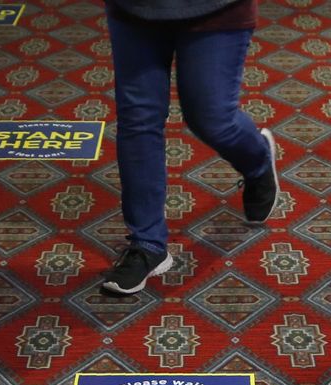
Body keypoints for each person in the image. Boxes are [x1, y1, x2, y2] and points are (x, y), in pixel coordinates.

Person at [101, 0, 279, 294]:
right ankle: (147, 243)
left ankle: (257, 161)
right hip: (134, 8)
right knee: (137, 119)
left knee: (212, 119)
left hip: (215, 8)